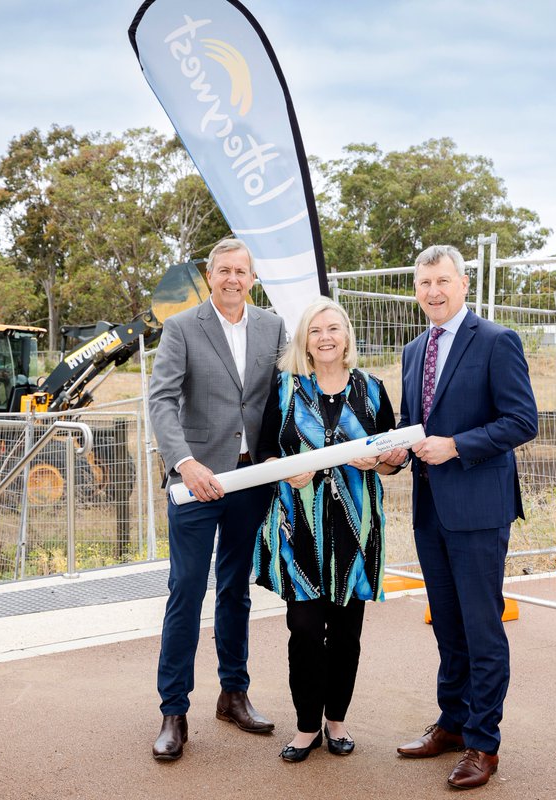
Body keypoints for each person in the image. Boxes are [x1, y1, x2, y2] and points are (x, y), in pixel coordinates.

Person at [394, 244, 538, 789]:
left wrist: (456, 445)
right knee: (448, 626)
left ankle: (483, 743)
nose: (433, 291)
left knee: (481, 628)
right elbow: (414, 427)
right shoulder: (413, 351)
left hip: (478, 508)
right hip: (430, 509)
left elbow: (523, 421)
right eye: (424, 282)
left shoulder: (498, 341)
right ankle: (452, 723)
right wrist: (393, 455)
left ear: (464, 283)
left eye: (443, 281)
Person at [147, 238, 288, 761]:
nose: (233, 279)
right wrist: (185, 462)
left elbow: (284, 397)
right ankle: (173, 711)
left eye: (242, 272)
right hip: (195, 481)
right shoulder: (183, 327)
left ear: (253, 278)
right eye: (224, 270)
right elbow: (161, 399)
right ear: (210, 275)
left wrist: (283, 459)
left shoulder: (273, 327)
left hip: (250, 482)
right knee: (185, 591)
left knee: (235, 589)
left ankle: (233, 694)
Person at [253, 297, 408, 762]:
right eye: (316, 329)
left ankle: (336, 720)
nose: (325, 337)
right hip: (297, 526)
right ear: (304, 338)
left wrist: (382, 459)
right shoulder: (283, 389)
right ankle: (306, 727)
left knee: (346, 632)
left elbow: (394, 456)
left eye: (333, 328)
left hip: (355, 532)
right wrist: (282, 469)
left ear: (346, 336)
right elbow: (264, 452)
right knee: (303, 628)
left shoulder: (372, 389)